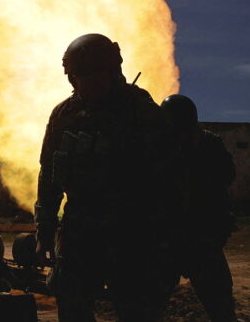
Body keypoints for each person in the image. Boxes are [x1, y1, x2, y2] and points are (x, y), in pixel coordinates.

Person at [34, 33, 184, 322]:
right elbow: (49, 177)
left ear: (113, 71)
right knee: (73, 305)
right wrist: (44, 233)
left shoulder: (141, 113)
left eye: (92, 75)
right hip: (80, 232)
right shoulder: (65, 115)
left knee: (136, 309)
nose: (82, 83)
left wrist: (167, 244)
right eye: (77, 76)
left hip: (132, 233)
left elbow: (170, 183)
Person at [161, 94, 237, 322]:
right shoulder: (162, 147)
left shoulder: (210, 145)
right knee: (148, 303)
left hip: (202, 237)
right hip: (169, 238)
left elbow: (225, 177)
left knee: (220, 303)